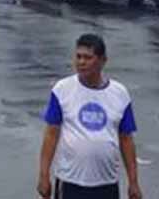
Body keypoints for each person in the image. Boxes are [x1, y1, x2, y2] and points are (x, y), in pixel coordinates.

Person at [38, 34, 141, 199]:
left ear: (102, 61)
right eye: (78, 57)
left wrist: (133, 182)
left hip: (106, 184)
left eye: (88, 57)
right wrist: (44, 176)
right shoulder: (62, 90)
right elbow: (51, 134)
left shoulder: (120, 94)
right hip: (70, 182)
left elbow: (126, 139)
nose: (81, 62)